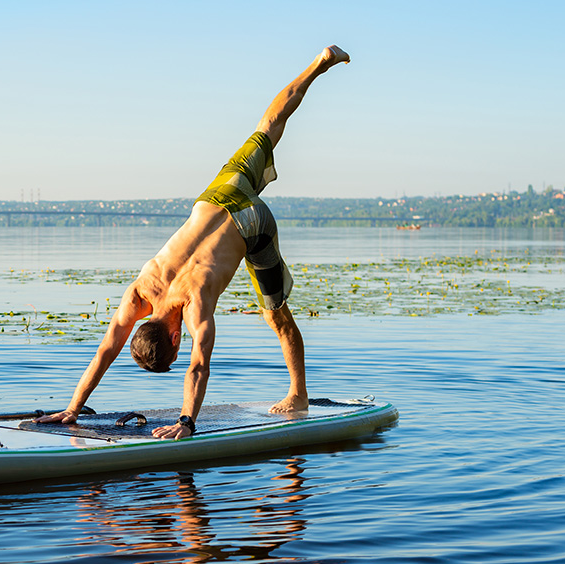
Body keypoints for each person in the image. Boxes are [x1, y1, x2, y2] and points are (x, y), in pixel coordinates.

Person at [36, 45, 351, 439]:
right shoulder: (140, 292)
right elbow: (107, 350)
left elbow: (198, 364)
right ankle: (321, 63)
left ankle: (299, 394)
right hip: (219, 196)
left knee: (276, 314)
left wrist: (186, 422)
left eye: (178, 343)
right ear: (142, 326)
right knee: (269, 125)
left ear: (172, 336)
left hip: (253, 225)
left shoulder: (193, 302)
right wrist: (73, 406)